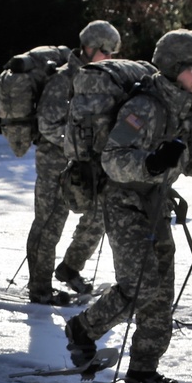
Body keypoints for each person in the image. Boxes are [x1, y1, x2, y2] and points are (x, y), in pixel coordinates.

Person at [64, 30, 192, 383]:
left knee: (161, 294)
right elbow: (114, 159)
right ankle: (83, 329)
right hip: (126, 202)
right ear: (174, 67)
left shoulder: (184, 107)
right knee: (140, 287)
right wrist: (150, 162)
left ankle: (143, 372)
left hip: (157, 205)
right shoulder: (144, 106)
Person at [25, 20, 120, 305]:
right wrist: (81, 143)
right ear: (89, 48)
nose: (110, 59)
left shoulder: (99, 79)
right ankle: (40, 289)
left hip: (86, 163)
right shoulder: (63, 80)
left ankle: (70, 268)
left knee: (100, 215)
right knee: (49, 223)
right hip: (55, 162)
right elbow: (48, 124)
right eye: (106, 52)